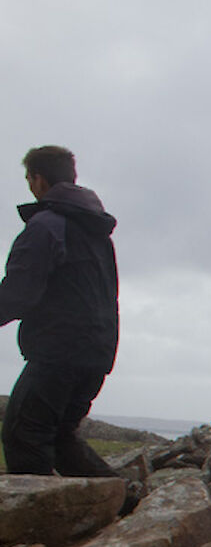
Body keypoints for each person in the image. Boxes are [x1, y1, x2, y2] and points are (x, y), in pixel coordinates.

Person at [0, 145, 121, 479]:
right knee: (60, 437)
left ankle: (39, 529)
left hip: (58, 351)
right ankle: (126, 502)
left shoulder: (46, 226)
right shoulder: (97, 233)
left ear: (38, 180)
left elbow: (19, 292)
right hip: (98, 352)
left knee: (24, 435)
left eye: (28, 178)